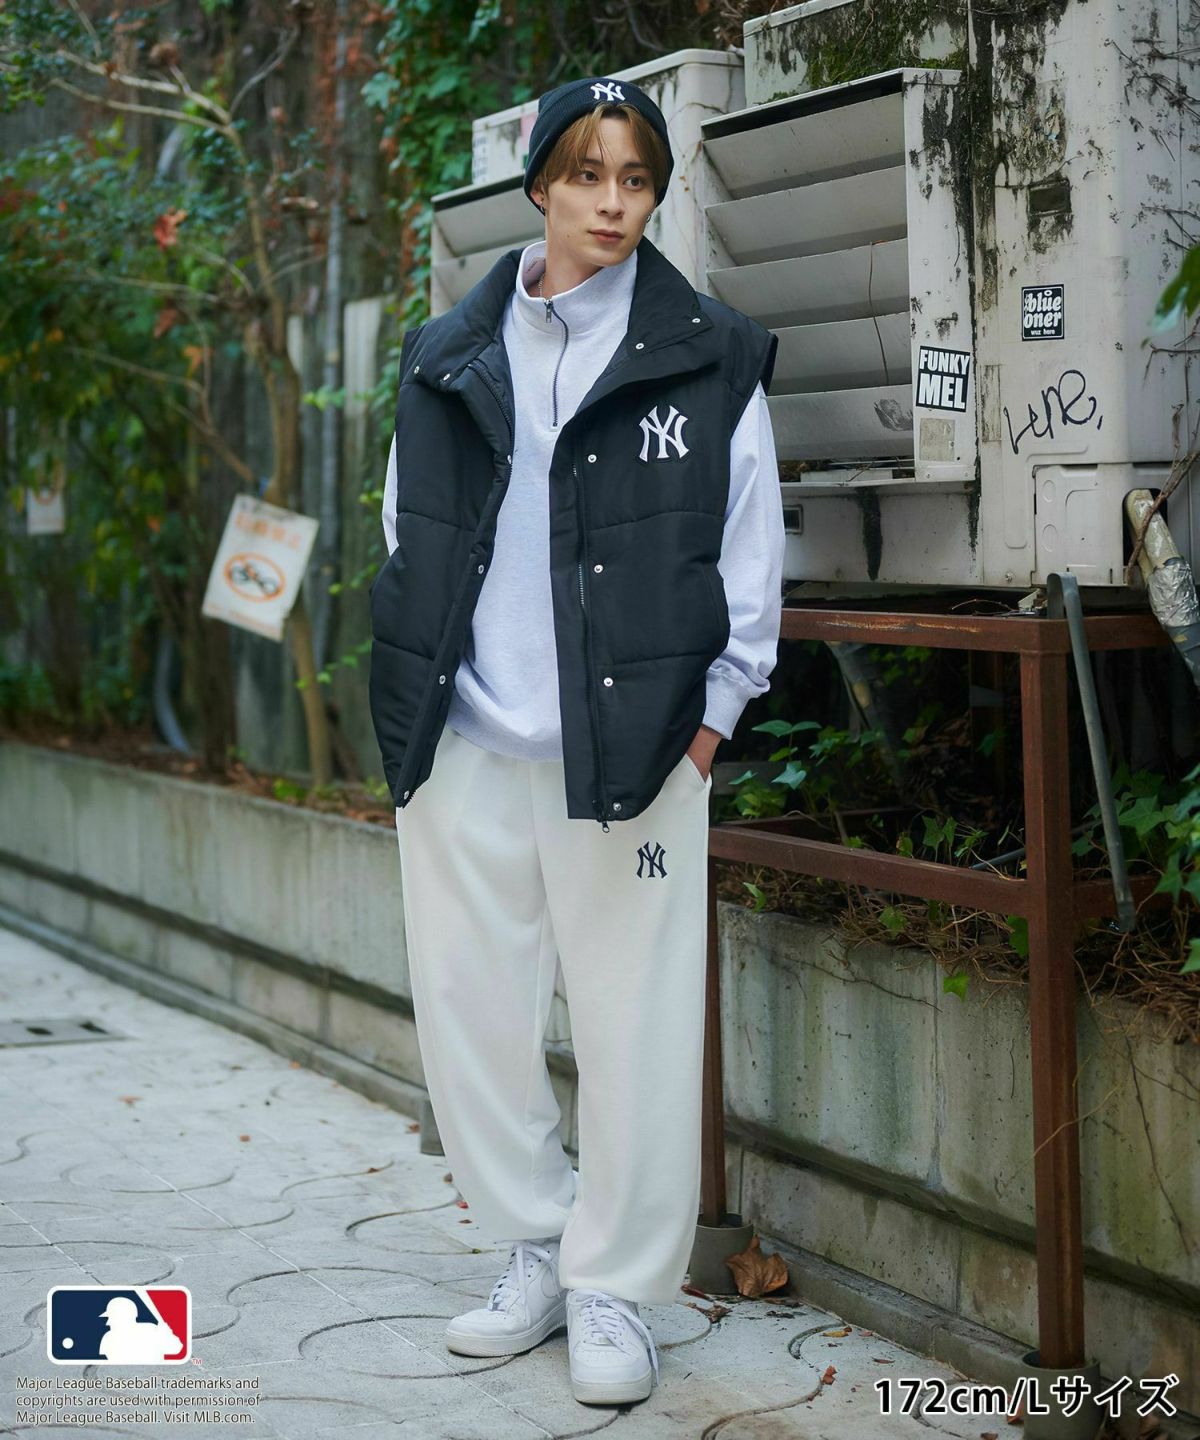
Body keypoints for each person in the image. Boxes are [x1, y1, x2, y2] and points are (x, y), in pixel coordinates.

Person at [369, 74, 784, 1407]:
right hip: (467, 741)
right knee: (474, 1019)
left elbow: (751, 550)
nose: (613, 202)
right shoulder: (447, 353)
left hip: (641, 750)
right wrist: (415, 710)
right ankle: (538, 1246)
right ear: (540, 183)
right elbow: (408, 531)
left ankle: (616, 1286)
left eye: (637, 178)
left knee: (636, 1026)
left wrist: (709, 727)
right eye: (589, 174)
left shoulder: (709, 353)